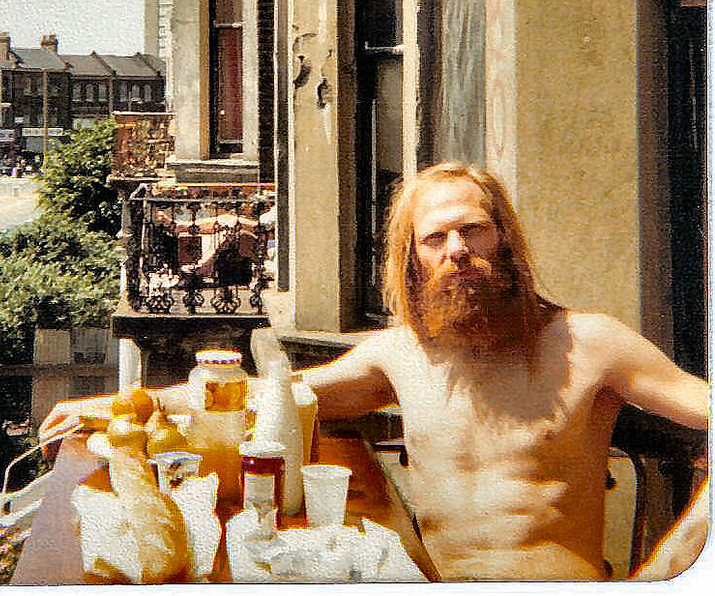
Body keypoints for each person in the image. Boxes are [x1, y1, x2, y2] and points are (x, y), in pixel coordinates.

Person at [39, 162, 708, 581]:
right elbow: (269, 396)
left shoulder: (592, 344)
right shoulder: (402, 356)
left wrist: (672, 572)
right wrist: (131, 404)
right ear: (414, 261)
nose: (458, 253)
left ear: (506, 236)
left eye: (473, 230)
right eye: (435, 239)